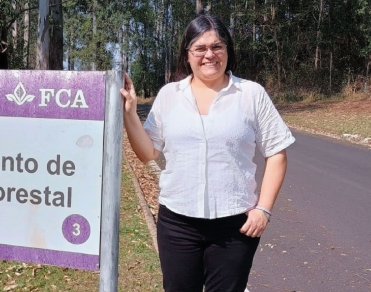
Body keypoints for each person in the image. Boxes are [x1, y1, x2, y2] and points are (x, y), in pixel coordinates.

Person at [121, 14, 295, 292]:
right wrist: (130, 112)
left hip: (236, 225)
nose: (209, 55)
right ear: (187, 54)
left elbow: (277, 153)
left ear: (228, 50)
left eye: (217, 46)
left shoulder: (251, 94)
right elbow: (148, 152)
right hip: (177, 223)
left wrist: (263, 210)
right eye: (200, 48)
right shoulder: (169, 95)